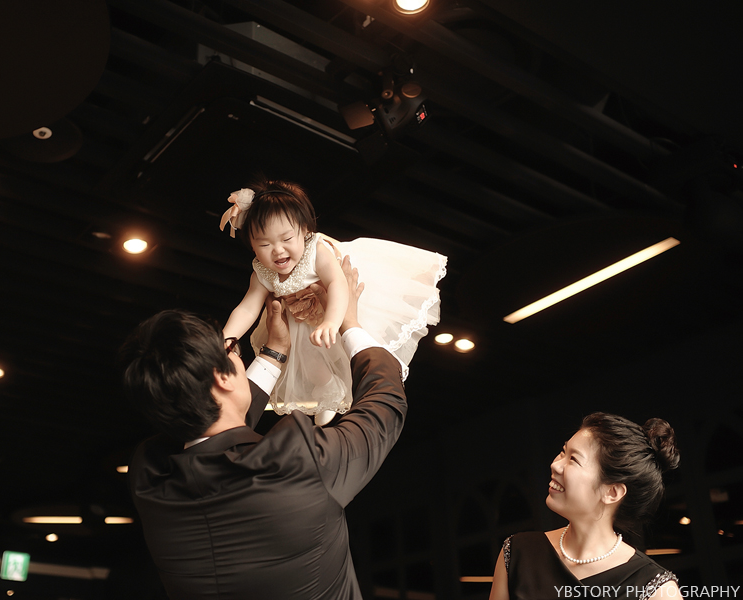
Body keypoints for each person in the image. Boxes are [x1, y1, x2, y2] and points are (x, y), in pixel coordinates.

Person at [123, 257, 408, 600]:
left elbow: (217, 431)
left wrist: (274, 352)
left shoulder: (149, 476)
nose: (237, 355)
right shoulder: (299, 460)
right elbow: (385, 407)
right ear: (222, 377)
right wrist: (349, 322)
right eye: (232, 349)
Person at [220, 178, 446, 424]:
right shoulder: (261, 272)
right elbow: (247, 308)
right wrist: (225, 339)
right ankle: (328, 389)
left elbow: (337, 284)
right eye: (264, 244)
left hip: (340, 303)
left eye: (286, 239)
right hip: (301, 317)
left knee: (354, 339)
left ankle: (377, 373)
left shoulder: (316, 251)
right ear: (252, 246)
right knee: (307, 358)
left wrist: (331, 321)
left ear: (304, 230)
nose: (278, 250)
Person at [489, 413, 682, 600]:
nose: (555, 465)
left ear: (612, 492)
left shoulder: (655, 589)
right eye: (563, 452)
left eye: (573, 459)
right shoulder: (518, 552)